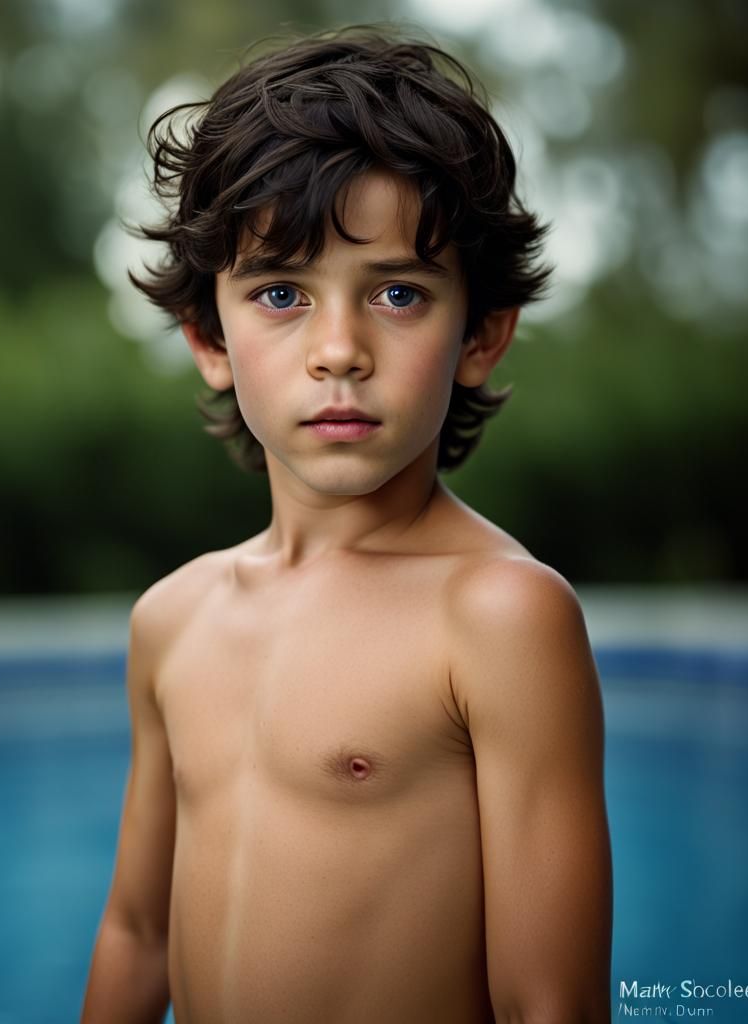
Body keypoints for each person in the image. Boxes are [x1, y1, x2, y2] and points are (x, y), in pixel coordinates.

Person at [80, 23, 613, 1024]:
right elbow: (137, 933)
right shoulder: (173, 618)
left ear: (481, 335)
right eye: (281, 292)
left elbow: (552, 1004)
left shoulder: (498, 617)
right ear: (208, 338)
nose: (338, 349)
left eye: (398, 293)